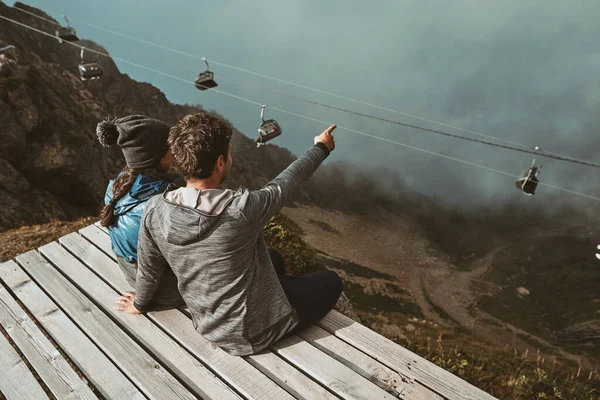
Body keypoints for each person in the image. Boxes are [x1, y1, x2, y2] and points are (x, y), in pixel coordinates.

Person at [114, 112, 343, 356]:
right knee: (331, 282)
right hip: (254, 333)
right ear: (220, 162)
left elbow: (149, 270)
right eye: (229, 154)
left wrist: (139, 304)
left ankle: (276, 296)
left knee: (272, 256)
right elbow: (287, 183)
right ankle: (279, 313)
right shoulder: (241, 210)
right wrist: (321, 147)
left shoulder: (155, 208)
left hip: (208, 325)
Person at [97, 115, 184, 308]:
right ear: (156, 157)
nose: (175, 153)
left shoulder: (117, 185)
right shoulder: (159, 207)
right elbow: (152, 268)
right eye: (171, 148)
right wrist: (140, 303)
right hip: (163, 289)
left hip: (133, 274)